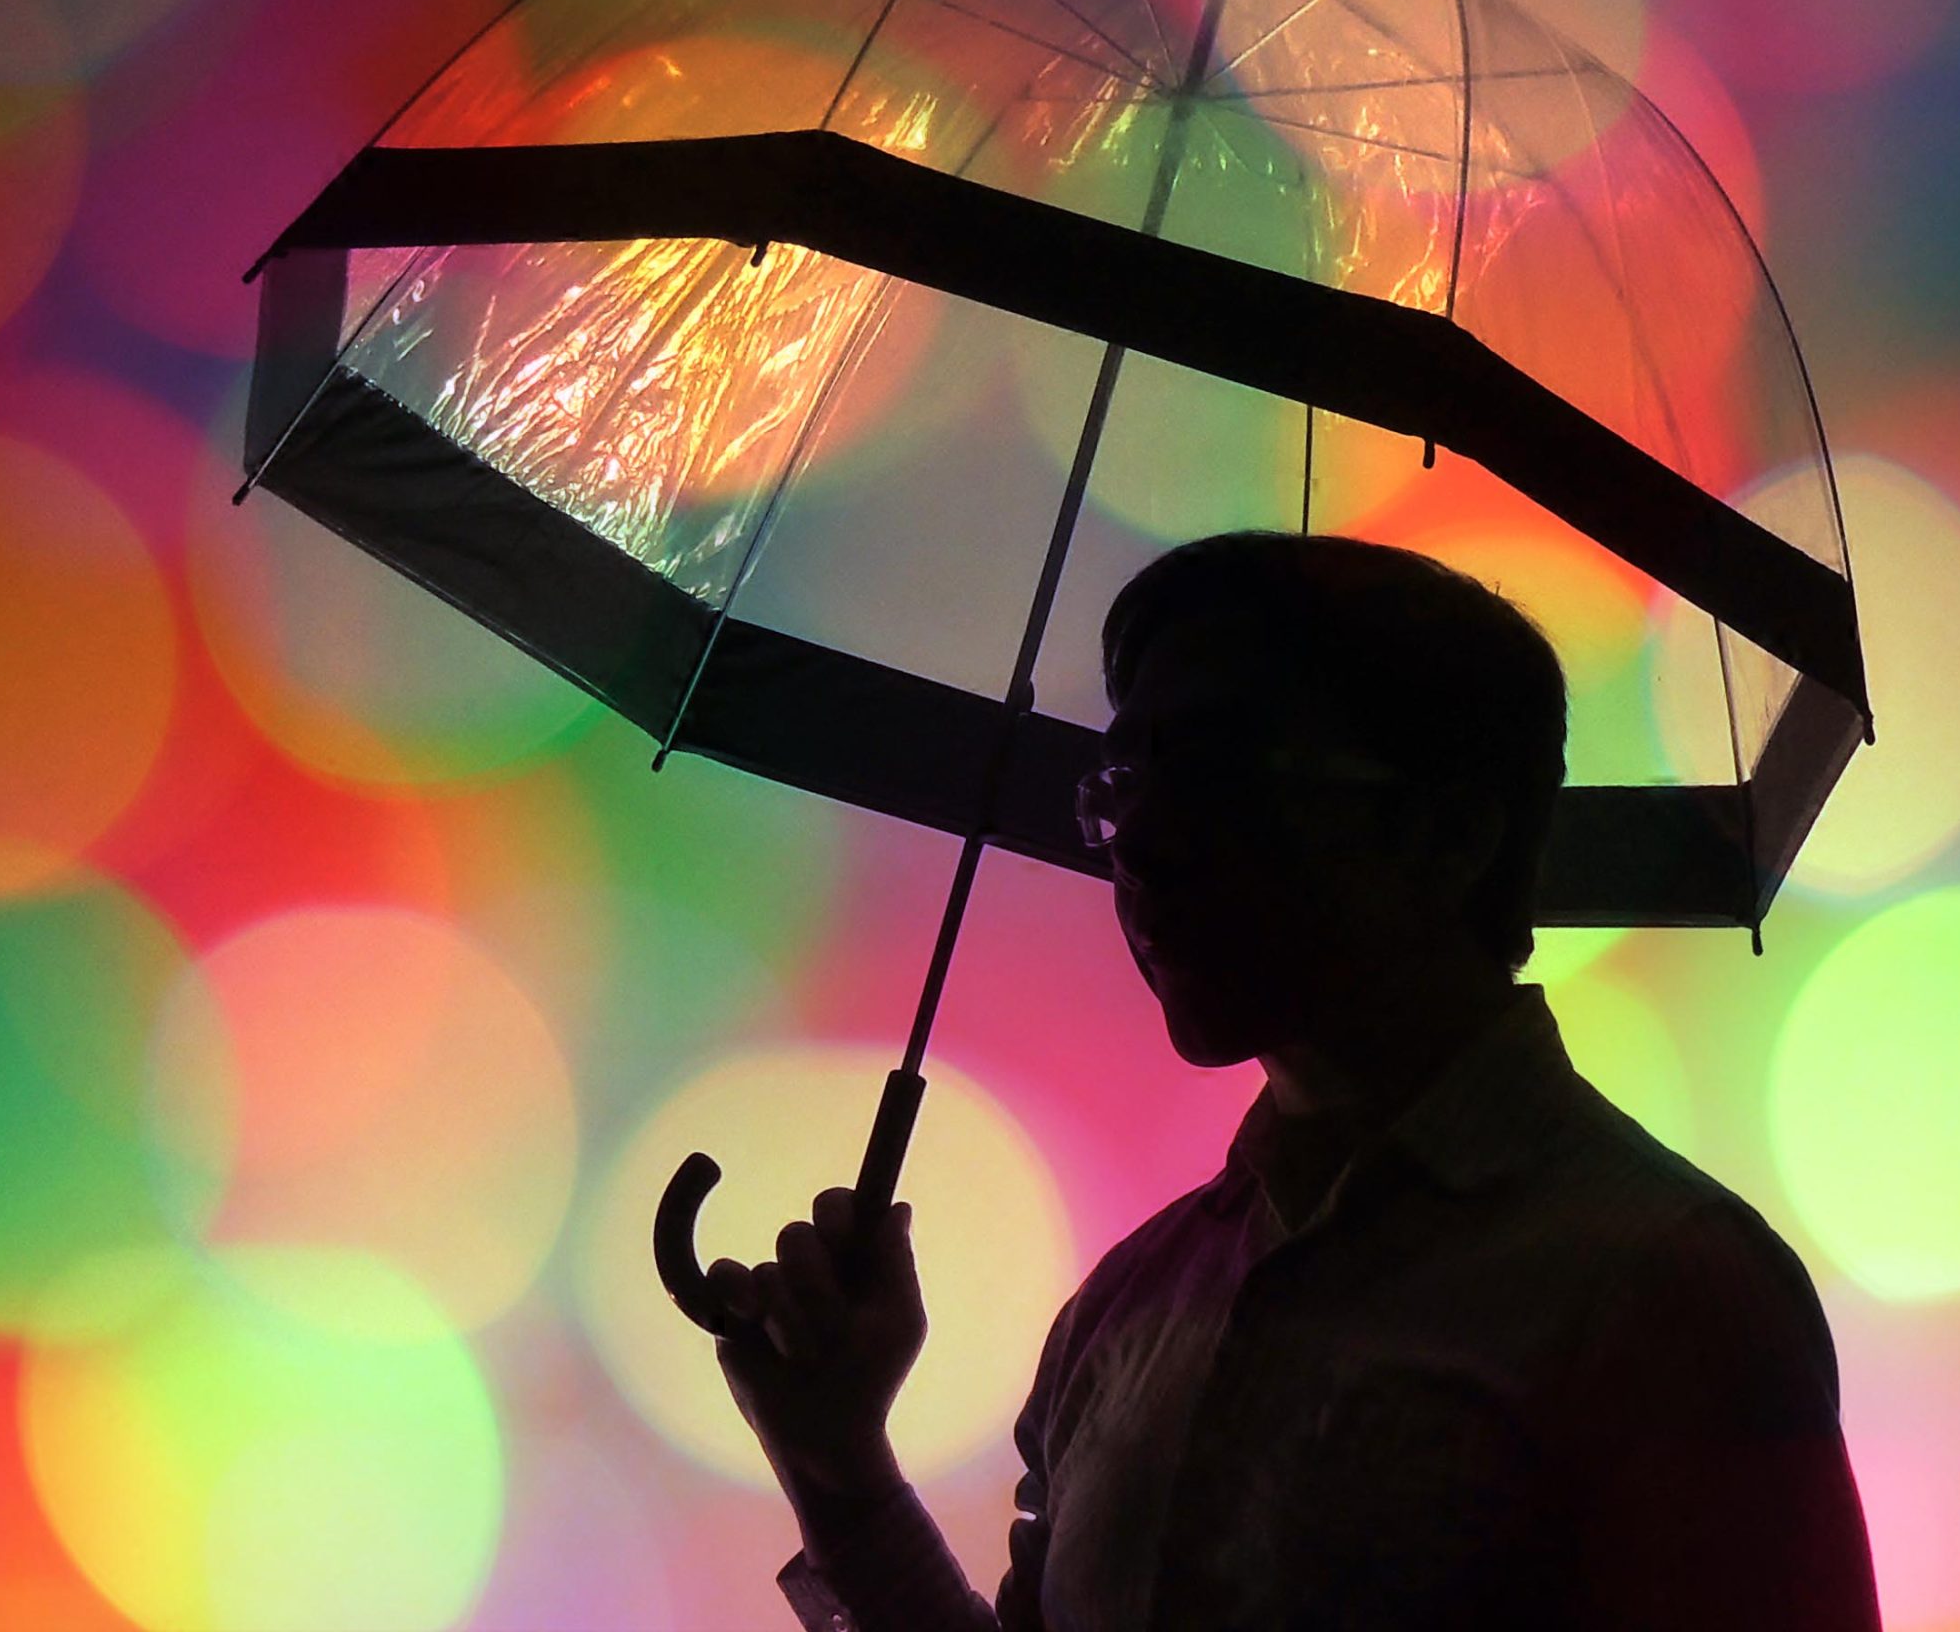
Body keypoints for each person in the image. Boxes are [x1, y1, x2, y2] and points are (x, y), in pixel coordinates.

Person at [707, 530, 1881, 1632]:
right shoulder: (1126, 1313)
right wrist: (837, 1468)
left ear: (1447, 837)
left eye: (1220, 776)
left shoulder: (1671, 1298)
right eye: (1124, 782)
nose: (1143, 845)